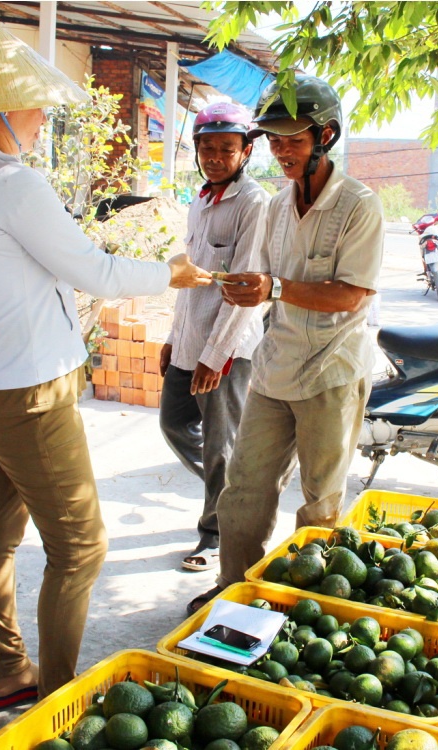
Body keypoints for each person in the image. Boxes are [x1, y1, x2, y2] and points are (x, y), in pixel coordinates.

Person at [0, 18, 211, 703]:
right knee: (82, 546)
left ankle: (10, 668)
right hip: (29, 394)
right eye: (34, 105)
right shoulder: (9, 180)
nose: (43, 117)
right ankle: (58, 697)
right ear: (2, 111)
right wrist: (172, 273)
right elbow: (94, 272)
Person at [187, 74, 385, 615]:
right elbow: (264, 283)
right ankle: (233, 590)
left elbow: (351, 295)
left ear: (327, 135)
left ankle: (311, 604)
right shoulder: (276, 206)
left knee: (320, 501)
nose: (281, 152)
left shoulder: (359, 206)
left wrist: (273, 288)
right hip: (275, 368)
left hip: (332, 372)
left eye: (293, 140)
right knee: (243, 490)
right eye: (274, 141)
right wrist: (231, 287)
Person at [159, 102, 268, 573]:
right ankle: (239, 492)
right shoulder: (200, 199)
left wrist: (216, 355)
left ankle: (216, 533)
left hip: (226, 350)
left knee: (221, 445)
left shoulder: (254, 203)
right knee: (173, 423)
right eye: (207, 148)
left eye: (227, 148)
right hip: (188, 341)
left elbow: (246, 290)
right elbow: (191, 277)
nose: (215, 157)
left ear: (245, 152)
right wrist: (172, 336)